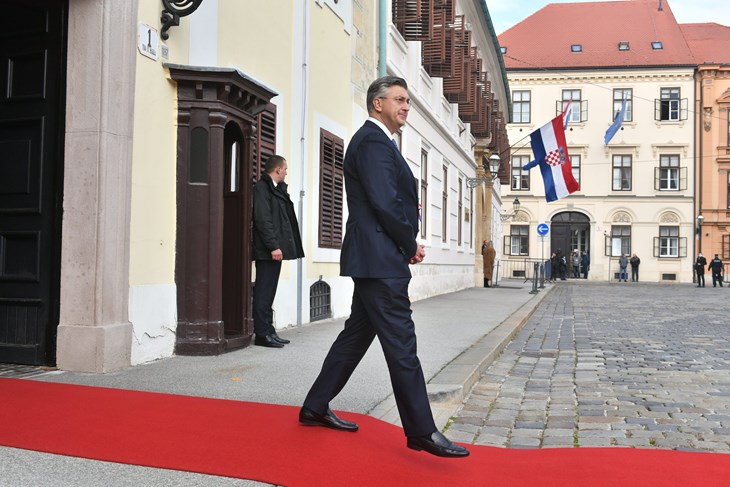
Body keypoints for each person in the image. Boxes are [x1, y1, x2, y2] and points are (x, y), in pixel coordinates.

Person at [300, 76, 468, 458]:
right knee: (402, 345)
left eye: (407, 100)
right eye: (400, 100)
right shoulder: (374, 141)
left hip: (377, 256)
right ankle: (421, 430)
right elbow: (385, 202)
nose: (406, 106)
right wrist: (408, 244)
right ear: (378, 104)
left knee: (356, 335)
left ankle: (315, 405)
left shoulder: (379, 141)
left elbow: (389, 202)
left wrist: (406, 243)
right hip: (380, 260)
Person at [251, 155, 305, 348]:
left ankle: (269, 330)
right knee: (263, 292)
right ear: (278, 170)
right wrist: (273, 245)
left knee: (269, 291)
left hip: (275, 250)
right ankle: (261, 334)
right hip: (267, 250)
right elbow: (263, 220)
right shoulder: (261, 189)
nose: (287, 172)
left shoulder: (276, 189)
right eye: (285, 169)